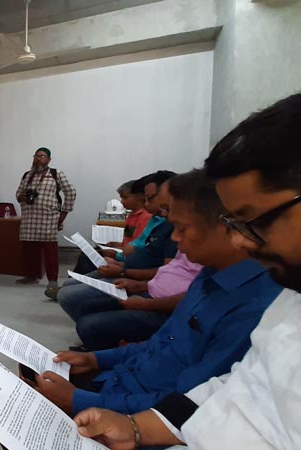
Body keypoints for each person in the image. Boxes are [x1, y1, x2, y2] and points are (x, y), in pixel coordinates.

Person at [72, 93, 301, 450]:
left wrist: (88, 403)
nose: (242, 241)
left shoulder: (260, 297)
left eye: (253, 221)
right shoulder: (285, 296)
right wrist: (135, 427)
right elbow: (232, 392)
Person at [29, 169, 282, 418]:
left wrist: (80, 401)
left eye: (182, 228)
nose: (175, 238)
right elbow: (159, 344)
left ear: (230, 226)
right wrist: (95, 359)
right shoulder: (209, 275)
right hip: (122, 381)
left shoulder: (254, 309)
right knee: (33, 373)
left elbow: (183, 406)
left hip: (136, 410)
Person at [57, 172, 178, 329]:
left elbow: (157, 264)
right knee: (80, 269)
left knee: (70, 295)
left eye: (125, 197)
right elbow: (136, 243)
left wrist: (121, 264)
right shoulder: (149, 219)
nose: (121, 202)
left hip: (133, 274)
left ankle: (91, 325)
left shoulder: (160, 222)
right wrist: (118, 255)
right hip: (126, 267)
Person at [14, 147, 77, 297]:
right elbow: (18, 193)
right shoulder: (27, 175)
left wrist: (63, 214)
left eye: (41, 156)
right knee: (29, 250)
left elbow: (71, 192)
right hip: (29, 219)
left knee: (50, 252)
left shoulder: (56, 174)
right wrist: (24, 197)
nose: (38, 158)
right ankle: (31, 276)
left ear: (49, 159)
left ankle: (52, 281)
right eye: (35, 156)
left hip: (48, 219)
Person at [70, 178, 152, 276]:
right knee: (86, 255)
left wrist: (116, 253)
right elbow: (129, 238)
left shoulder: (146, 217)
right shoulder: (131, 216)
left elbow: (139, 247)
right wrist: (117, 244)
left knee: (87, 259)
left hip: (128, 259)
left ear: (139, 197)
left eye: (125, 198)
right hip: (122, 253)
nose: (121, 202)